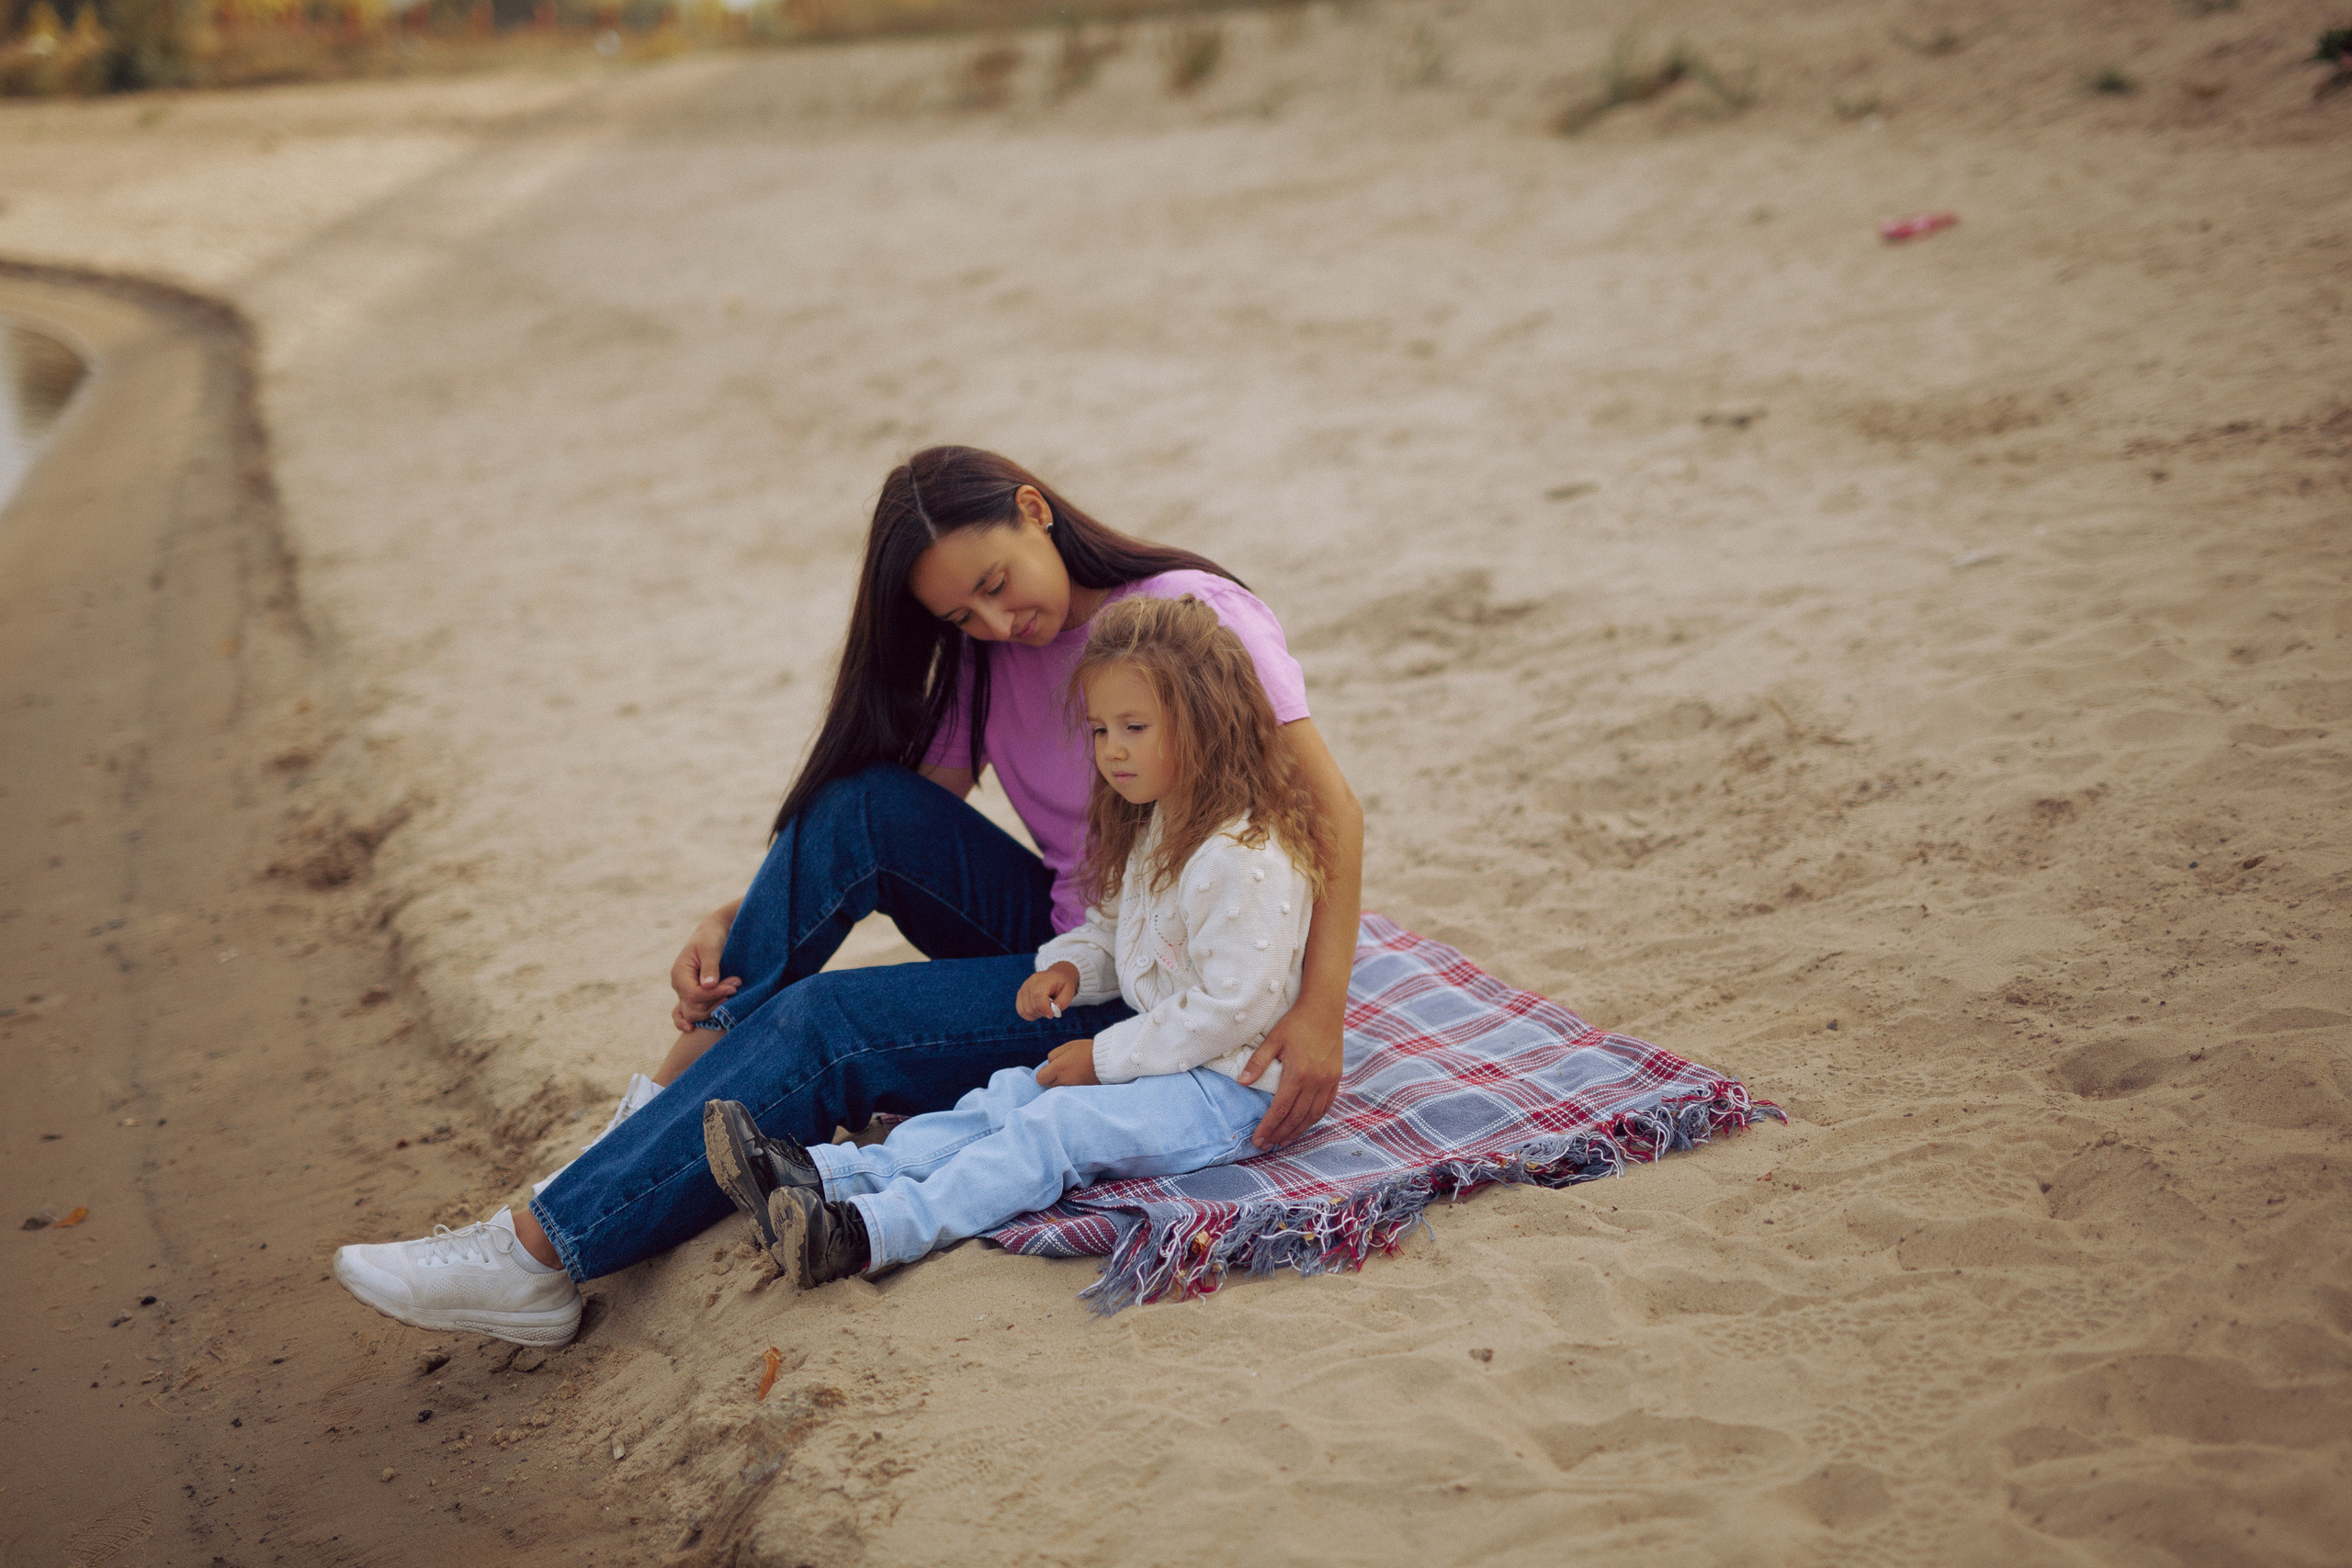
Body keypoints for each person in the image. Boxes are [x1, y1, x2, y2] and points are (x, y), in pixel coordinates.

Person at [331, 446, 1363, 1345]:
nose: (999, 623)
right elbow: (894, 825)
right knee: (859, 805)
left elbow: (1330, 818)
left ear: (1034, 509)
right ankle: (642, 1121)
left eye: (999, 584)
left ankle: (536, 1255)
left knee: (825, 1023)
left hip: (1150, 980)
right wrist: (739, 914)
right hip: (1079, 940)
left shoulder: (1187, 623)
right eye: (964, 613)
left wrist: (1319, 1014)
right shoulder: (984, 658)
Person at [703, 595, 1338, 1286]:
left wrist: (1102, 1057)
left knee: (1057, 1127)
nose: (1112, 750)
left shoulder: (1243, 856)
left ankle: (869, 1232)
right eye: (1099, 729)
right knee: (1013, 1091)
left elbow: (1232, 1009)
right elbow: (1122, 930)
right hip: (1174, 1055)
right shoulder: (1160, 824)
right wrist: (1071, 966)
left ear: (1207, 724)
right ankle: (834, 1173)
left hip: (1231, 1090)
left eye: (1134, 726)